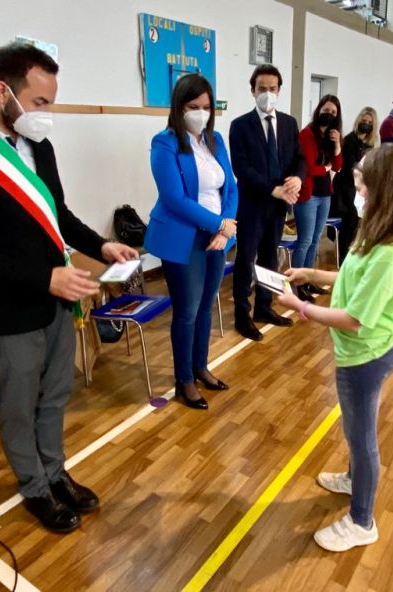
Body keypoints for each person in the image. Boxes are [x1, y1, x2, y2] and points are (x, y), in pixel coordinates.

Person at [0, 42, 138, 533]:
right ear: (2, 91)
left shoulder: (38, 146)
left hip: (56, 301)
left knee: (55, 395)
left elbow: (57, 214)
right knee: (19, 407)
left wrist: (101, 245)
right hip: (6, 310)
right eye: (39, 102)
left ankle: (55, 472)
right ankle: (35, 488)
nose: (46, 114)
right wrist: (45, 277)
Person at [276, 143, 393, 553]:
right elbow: (350, 276)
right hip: (362, 351)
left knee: (361, 438)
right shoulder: (380, 230)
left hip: (366, 355)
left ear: (382, 191)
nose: (356, 193)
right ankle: (354, 478)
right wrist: (312, 273)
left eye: (361, 187)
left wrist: (300, 306)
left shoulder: (391, 251)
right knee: (356, 431)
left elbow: (355, 317)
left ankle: (362, 521)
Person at [145, 74, 238, 410]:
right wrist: (219, 224)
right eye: (193, 106)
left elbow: (231, 187)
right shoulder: (165, 143)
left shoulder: (215, 140)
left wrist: (225, 229)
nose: (201, 113)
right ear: (179, 108)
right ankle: (183, 380)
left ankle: (201, 366)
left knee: (207, 304)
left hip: (217, 237)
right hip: (183, 237)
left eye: (206, 107)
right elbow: (174, 198)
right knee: (187, 310)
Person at [229, 64, 306, 341]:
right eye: (262, 88)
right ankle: (242, 315)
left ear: (279, 90)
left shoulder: (289, 123)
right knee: (245, 259)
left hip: (278, 206)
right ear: (253, 90)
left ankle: (264, 306)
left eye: (272, 88)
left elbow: (299, 158)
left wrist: (298, 178)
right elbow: (242, 168)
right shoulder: (240, 125)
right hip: (252, 205)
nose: (267, 93)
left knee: (270, 258)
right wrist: (273, 189)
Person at [294, 94, 343, 301]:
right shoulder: (307, 134)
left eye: (333, 112)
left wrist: (337, 145)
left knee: (315, 241)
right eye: (326, 110)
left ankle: (309, 280)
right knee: (305, 241)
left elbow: (338, 166)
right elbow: (308, 168)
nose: (329, 114)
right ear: (318, 110)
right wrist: (326, 168)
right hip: (308, 195)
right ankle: (297, 284)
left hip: (325, 195)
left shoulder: (331, 137)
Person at [331, 107, 379, 265]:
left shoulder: (370, 144)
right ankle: (343, 258)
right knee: (350, 219)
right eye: (364, 121)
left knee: (357, 221)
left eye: (370, 122)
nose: (366, 124)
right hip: (344, 187)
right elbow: (349, 166)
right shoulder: (349, 141)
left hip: (359, 187)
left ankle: (351, 253)